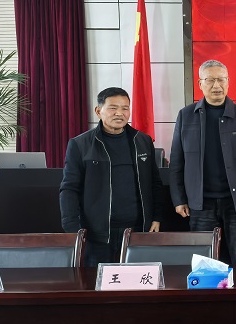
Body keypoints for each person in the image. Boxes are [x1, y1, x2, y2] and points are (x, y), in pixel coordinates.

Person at [170, 60, 236, 264]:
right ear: (200, 84)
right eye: (210, 80)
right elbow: (177, 162)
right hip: (200, 203)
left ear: (228, 82)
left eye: (221, 80)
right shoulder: (185, 116)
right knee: (205, 262)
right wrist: (179, 199)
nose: (216, 85)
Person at [60, 87, 163, 266]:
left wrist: (157, 217)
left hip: (137, 231)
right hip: (96, 235)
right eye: (113, 108)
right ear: (98, 111)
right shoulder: (80, 144)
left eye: (125, 108)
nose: (119, 113)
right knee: (96, 282)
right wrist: (73, 229)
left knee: (136, 281)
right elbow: (69, 189)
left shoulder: (142, 141)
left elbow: (155, 183)